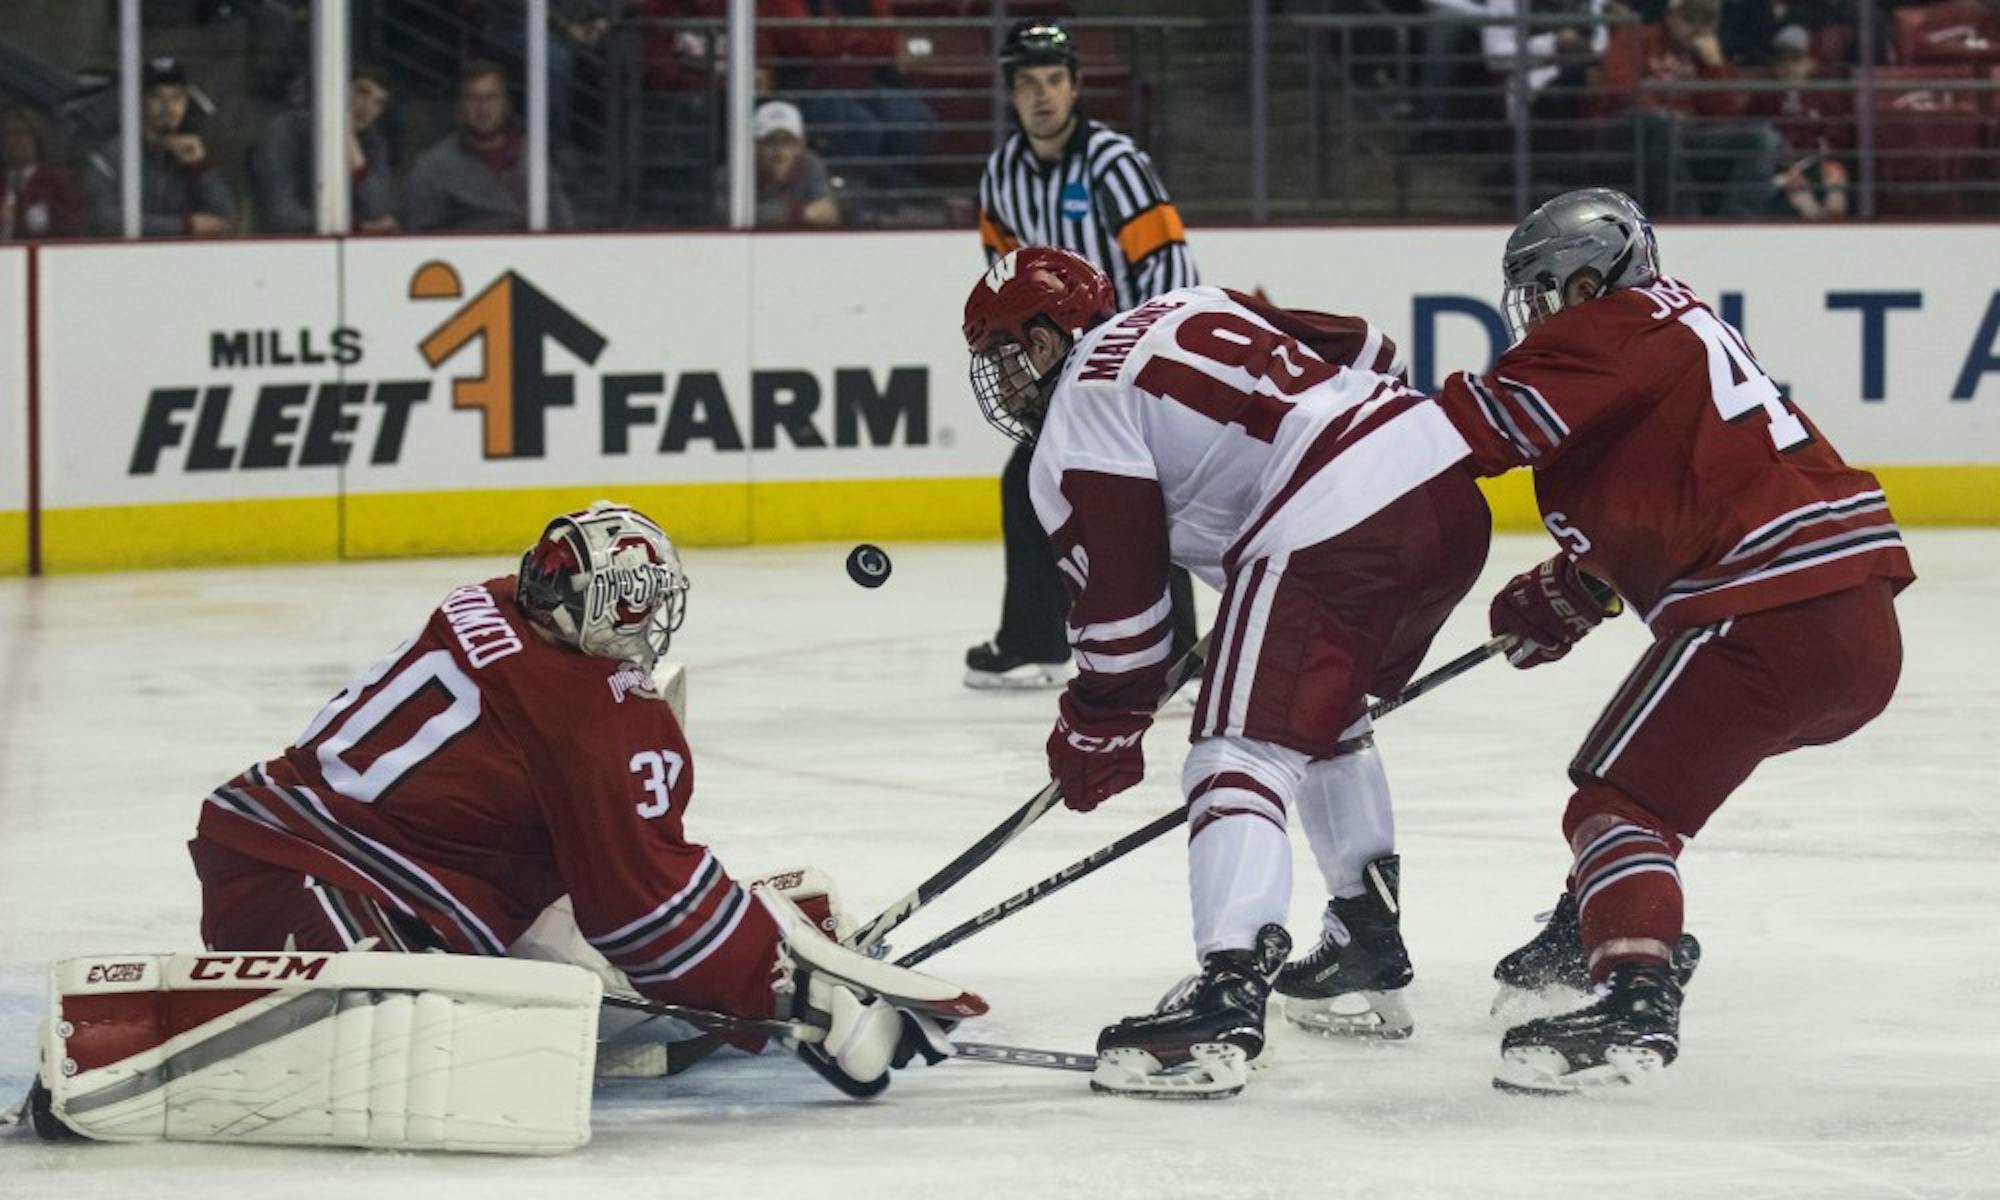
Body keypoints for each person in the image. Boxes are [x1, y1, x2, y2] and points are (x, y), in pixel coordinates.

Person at [185, 501, 973, 1100]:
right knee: (417, 1038)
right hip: (306, 879)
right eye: (641, 600)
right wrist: (801, 997)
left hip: (352, 852)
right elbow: (640, 913)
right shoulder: (583, 716)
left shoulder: (492, 601)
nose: (652, 620)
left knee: (564, 928)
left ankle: (746, 935)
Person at [961, 247, 1491, 1098]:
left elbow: (1130, 620)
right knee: (1317, 714)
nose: (1006, 381)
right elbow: (1374, 353)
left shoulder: (1080, 413)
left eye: (1007, 354)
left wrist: (1096, 726)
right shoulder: (1192, 302)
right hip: (1447, 495)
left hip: (1336, 518)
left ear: (1054, 338)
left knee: (1235, 751)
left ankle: (1226, 994)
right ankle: (1366, 935)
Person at [1425, 189, 1912, 1094]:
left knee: (1617, 805)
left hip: (1769, 613)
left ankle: (1633, 995)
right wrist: (1573, 587)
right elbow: (1680, 487)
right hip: (1853, 621)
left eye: (1543, 290)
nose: (1536, 314)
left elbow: (1477, 434)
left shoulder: (1606, 328)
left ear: (1586, 277)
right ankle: (1590, 927)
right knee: (1653, 786)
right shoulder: (1674, 320)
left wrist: (1326, 429)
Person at [966, 20, 1202, 690]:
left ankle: (1178, 653)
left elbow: (1169, 268)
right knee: (1028, 483)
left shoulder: (1115, 165)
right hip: (1061, 370)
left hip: (1137, 356)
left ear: (1074, 85)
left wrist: (1144, 363)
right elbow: (1004, 285)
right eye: (1027, 82)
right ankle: (1035, 641)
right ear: (1011, 93)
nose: (1042, 95)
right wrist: (1020, 366)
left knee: (1147, 493)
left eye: (1053, 80)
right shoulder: (1003, 174)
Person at [1593, 0, 1785, 217]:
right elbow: (1620, 89)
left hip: (1689, 133)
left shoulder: (1706, 56)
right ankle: (1685, 217)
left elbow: (1727, 116)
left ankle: (1737, 223)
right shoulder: (1637, 37)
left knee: (1763, 137)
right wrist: (1659, 109)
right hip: (1633, 131)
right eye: (1690, 18)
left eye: (1707, 20)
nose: (1698, 27)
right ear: (1671, 16)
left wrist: (1714, 66)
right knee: (1663, 125)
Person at [402, 59, 575, 232]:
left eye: (491, 98)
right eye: (473, 99)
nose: (483, 108)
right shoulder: (432, 168)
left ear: (506, 104)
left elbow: (563, 221)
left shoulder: (532, 156)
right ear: (459, 106)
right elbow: (418, 237)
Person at [84, 58, 236, 238]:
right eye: (156, 96)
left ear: (186, 103)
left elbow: (226, 219)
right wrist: (182, 226)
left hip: (181, 260)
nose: (168, 107)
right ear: (139, 102)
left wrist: (199, 167)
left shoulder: (194, 151)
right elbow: (103, 220)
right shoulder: (112, 155)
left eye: (176, 97)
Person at [249, 64, 399, 234]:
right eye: (362, 92)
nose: (368, 109)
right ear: (336, 89)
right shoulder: (284, 132)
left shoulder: (371, 140)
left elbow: (376, 210)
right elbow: (281, 211)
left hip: (344, 246)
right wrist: (355, 227)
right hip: (282, 248)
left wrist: (357, 163)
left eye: (378, 102)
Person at [750, 100, 838, 227]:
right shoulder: (739, 170)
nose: (779, 152)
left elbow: (827, 212)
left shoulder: (810, 165)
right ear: (756, 146)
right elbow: (727, 212)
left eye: (788, 142)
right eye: (770, 142)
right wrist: (797, 213)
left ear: (800, 145)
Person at [0, 105, 82, 240]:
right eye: (7, 134)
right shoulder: (3, 182)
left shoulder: (57, 181)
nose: (14, 140)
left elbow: (70, 229)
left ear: (36, 137)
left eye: (21, 132)